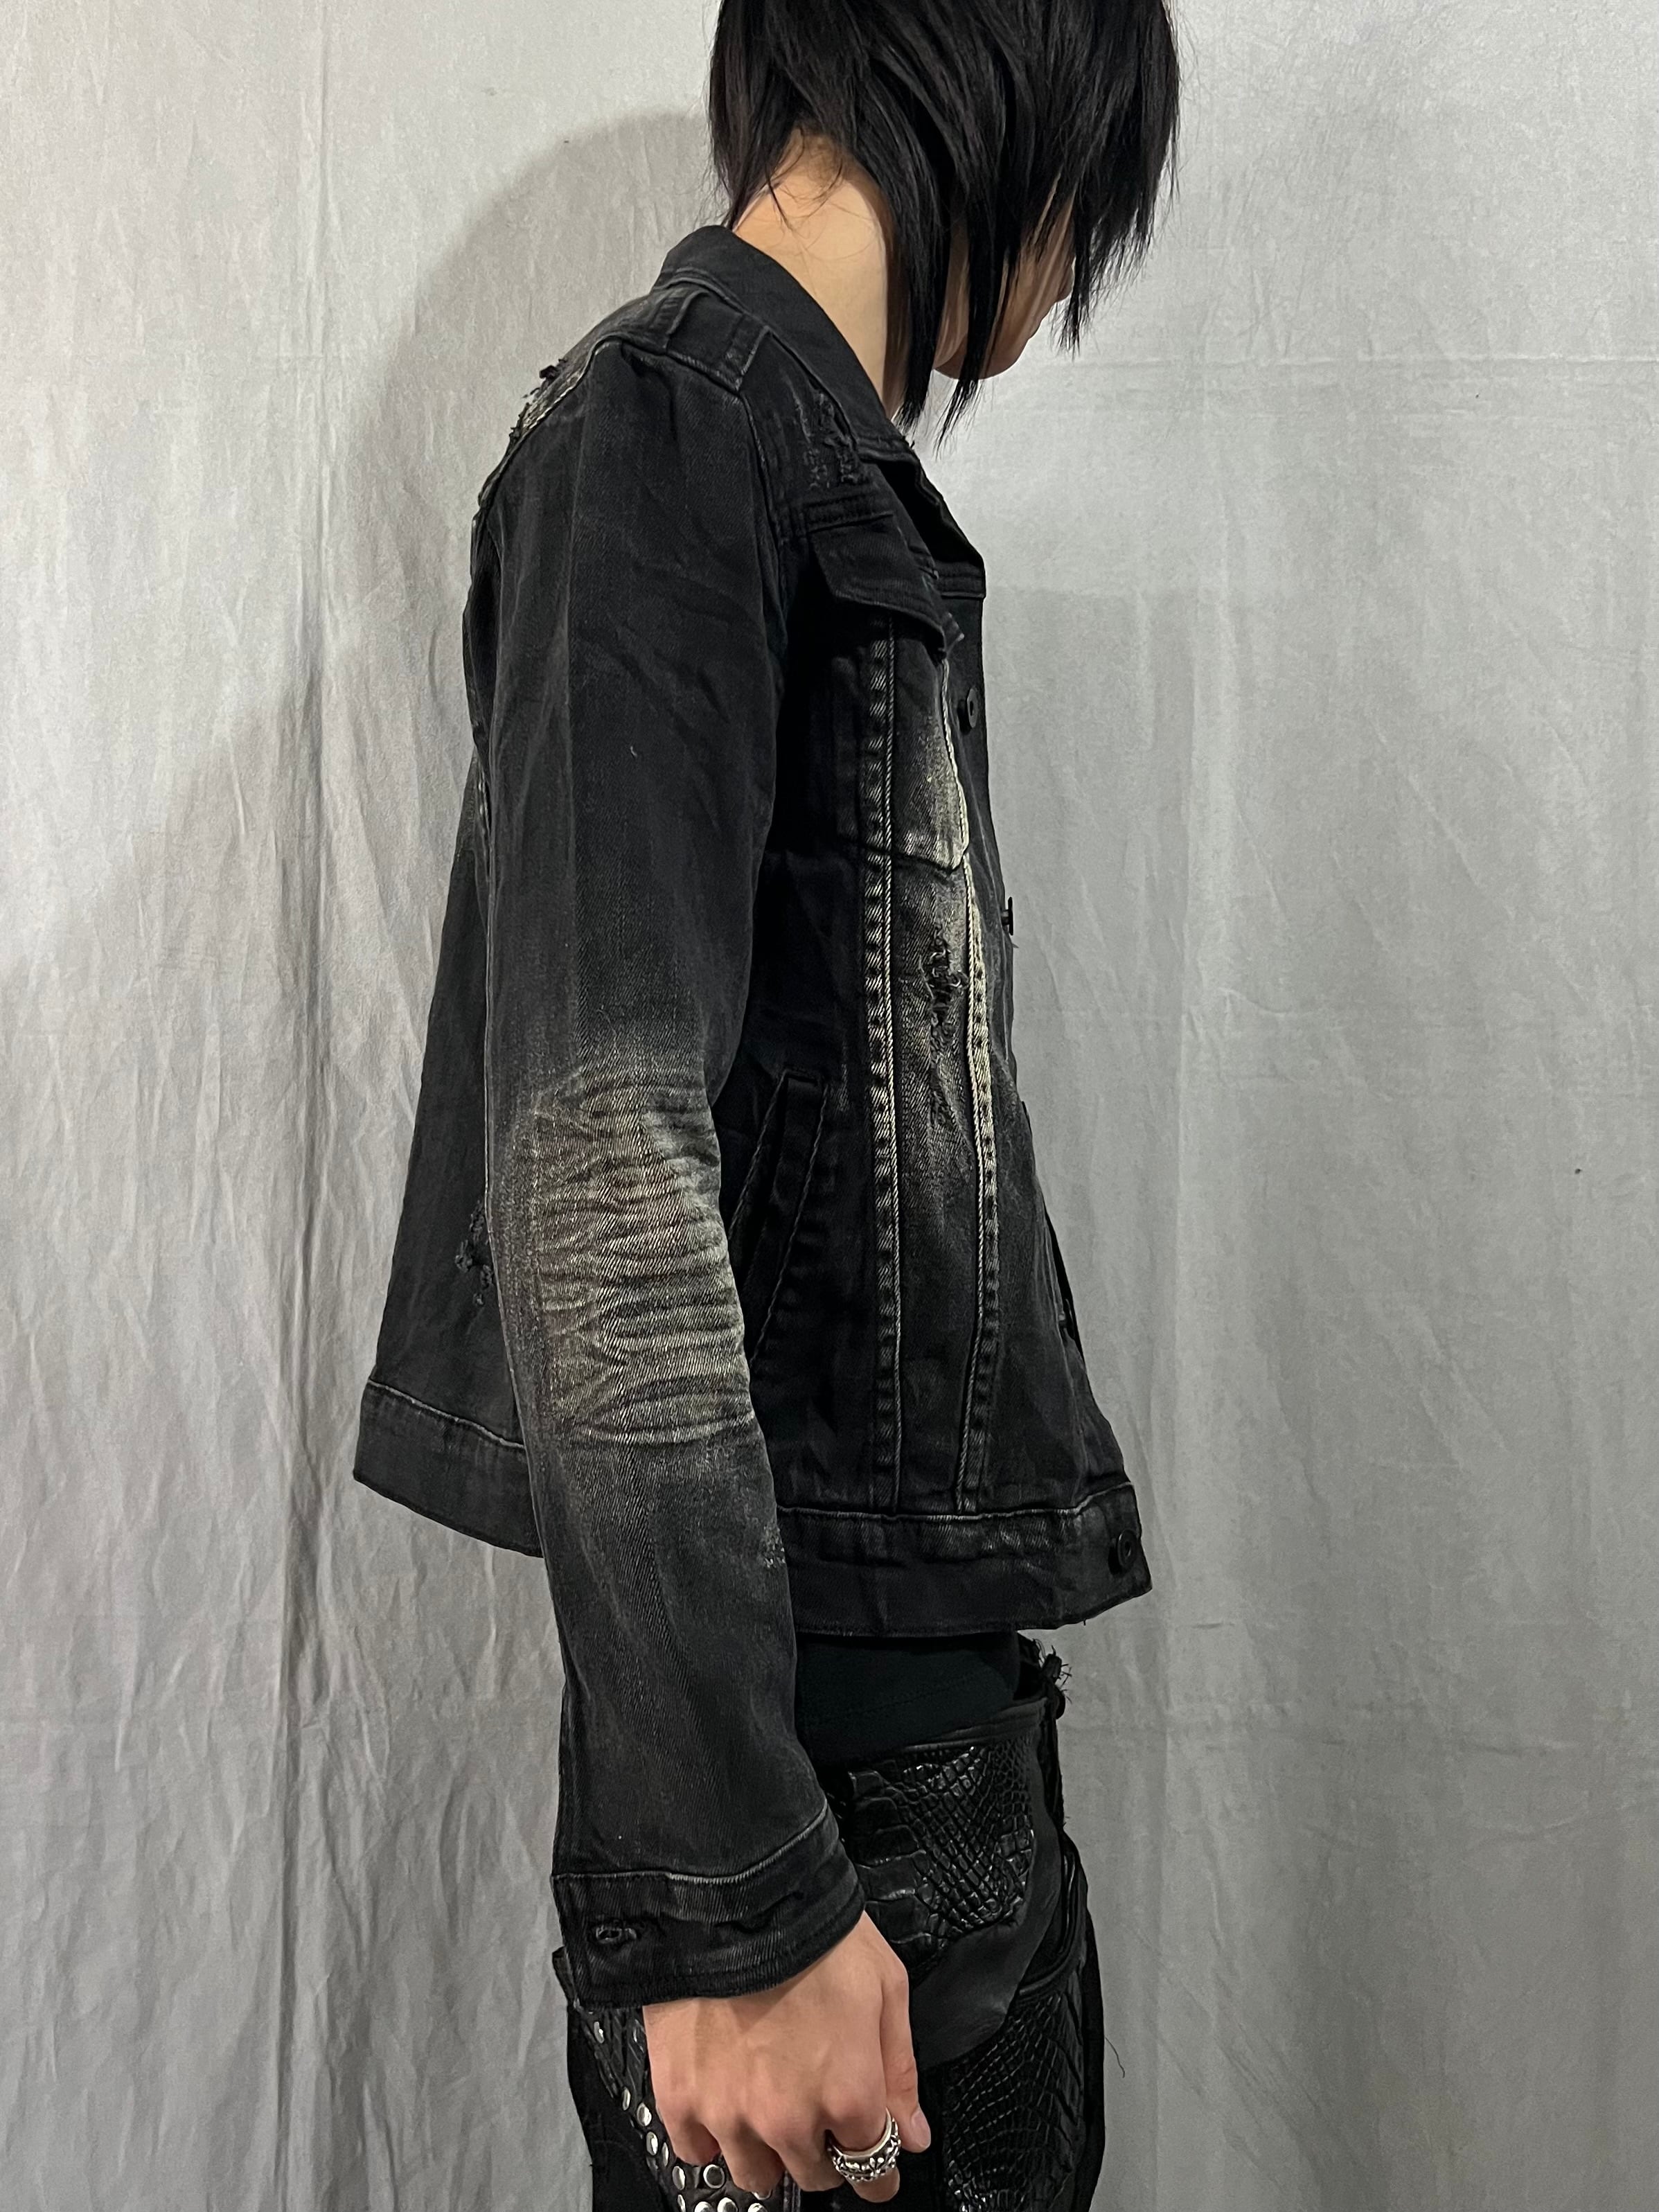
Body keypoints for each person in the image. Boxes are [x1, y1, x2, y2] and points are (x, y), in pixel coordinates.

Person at [350, 3, 1180, 2205]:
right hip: (821, 1802)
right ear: (1012, 104)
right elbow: (599, 1165)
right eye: (1088, 212)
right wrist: (735, 1892)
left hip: (888, 1761)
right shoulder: (674, 424)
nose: (1057, 291)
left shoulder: (787, 454)